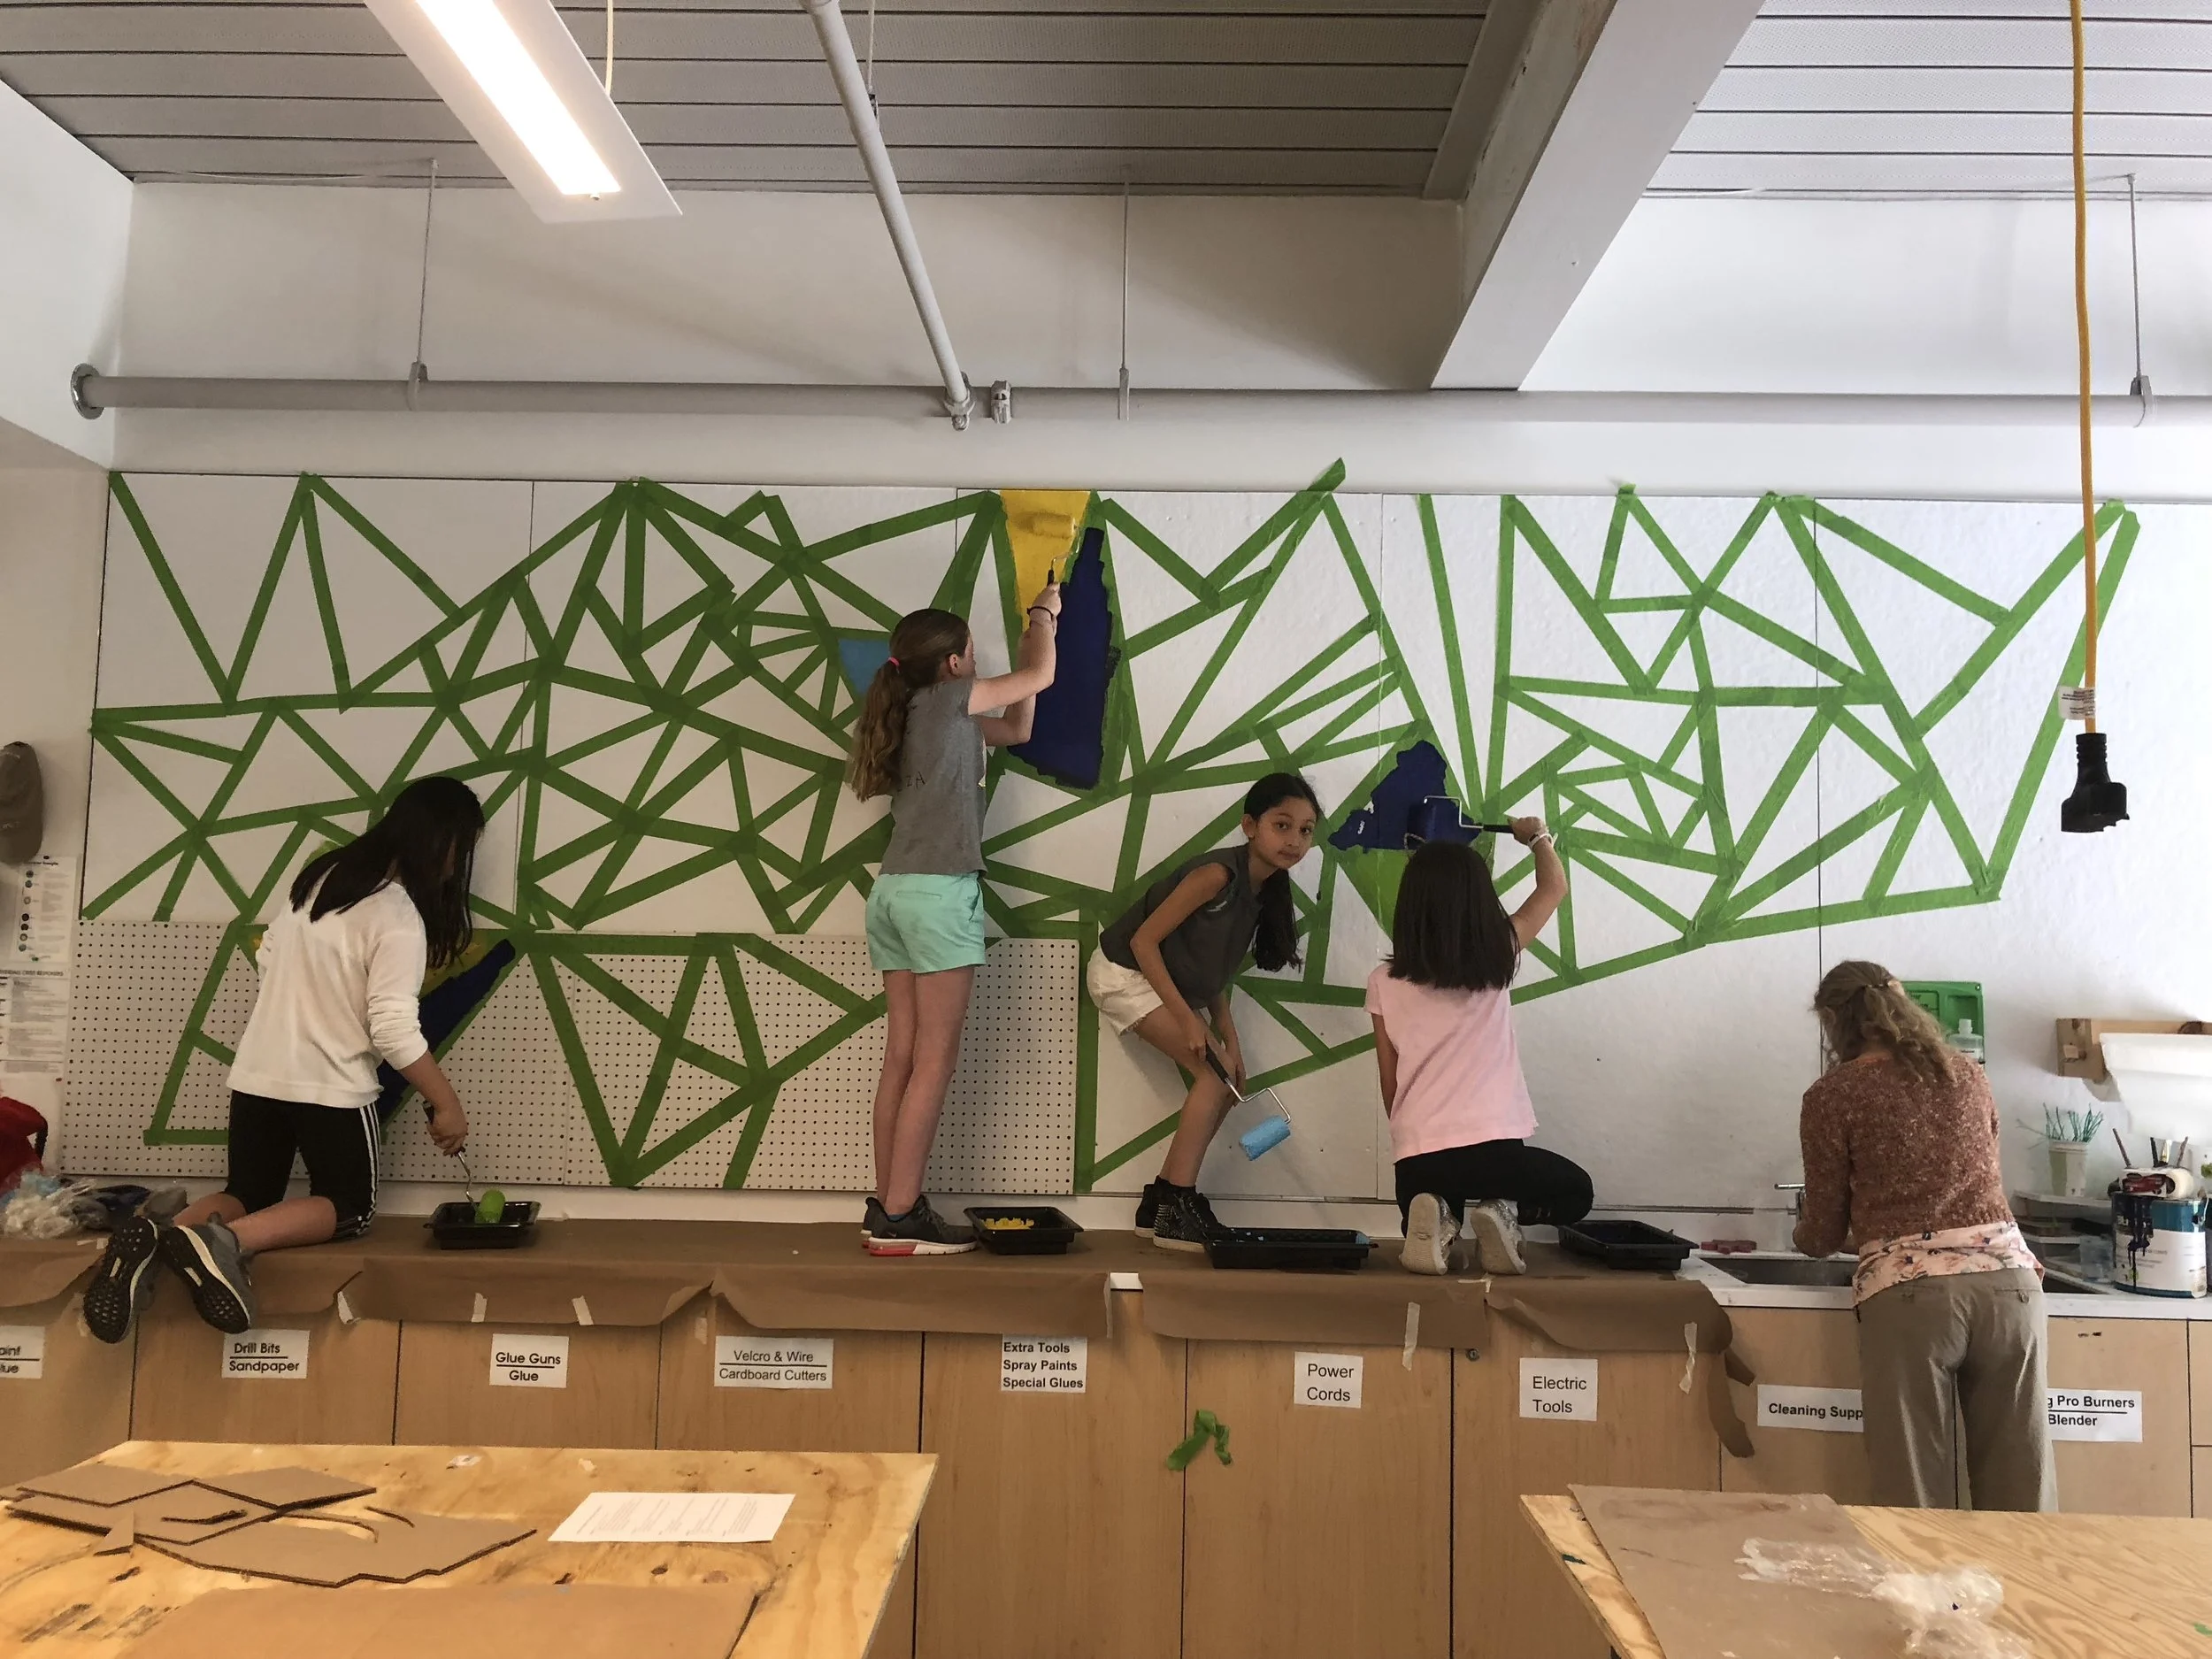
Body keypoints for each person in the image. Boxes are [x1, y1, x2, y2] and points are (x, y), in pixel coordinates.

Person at [81, 777, 484, 1344]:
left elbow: (268, 955)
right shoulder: (396, 914)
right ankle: (225, 1244)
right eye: (462, 850)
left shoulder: (322, 879)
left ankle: (157, 1234)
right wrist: (447, 1103)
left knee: (250, 1190)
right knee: (350, 1208)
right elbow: (393, 1029)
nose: (455, 868)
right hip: (330, 1085)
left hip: (258, 1072)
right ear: (444, 842)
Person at [1795, 960, 2055, 1511]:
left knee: (1911, 1489)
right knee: (2021, 1485)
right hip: (2009, 1286)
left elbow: (1822, 1232)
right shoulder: (1967, 1074)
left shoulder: (1833, 1094)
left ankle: (1918, 1572)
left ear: (1834, 1020)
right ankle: (2026, 1571)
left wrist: (1808, 1233)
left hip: (1912, 1296)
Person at [847, 594, 1059, 1256]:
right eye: (971, 651)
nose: (976, 661)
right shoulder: (949, 700)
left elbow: (1018, 728)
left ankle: (887, 1208)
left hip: (894, 894)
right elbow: (1043, 675)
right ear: (953, 664)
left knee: (904, 1055)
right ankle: (902, 1215)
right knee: (934, 1060)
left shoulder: (919, 711)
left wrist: (1026, 649)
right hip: (940, 896)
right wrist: (1045, 617)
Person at [1091, 773, 1320, 1250]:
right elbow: (1143, 942)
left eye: (1305, 830)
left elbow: (1214, 975)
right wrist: (1187, 1020)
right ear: (1249, 826)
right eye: (1282, 825)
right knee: (1214, 1078)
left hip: (1163, 982)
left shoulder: (1263, 891)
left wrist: (1231, 1041)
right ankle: (1177, 1202)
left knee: (1226, 1079)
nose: (1295, 840)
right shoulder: (1217, 876)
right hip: (1123, 972)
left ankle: (1161, 1200)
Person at [1367, 823, 1581, 1276]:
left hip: (1418, 1154)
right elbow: (1554, 887)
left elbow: (1390, 1082)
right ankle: (1500, 1213)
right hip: (1494, 1151)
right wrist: (1537, 837)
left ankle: (1438, 1224)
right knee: (1576, 1192)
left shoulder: (1383, 981)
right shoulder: (1499, 952)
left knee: (1428, 1204)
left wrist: (1412, 1142)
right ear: (1480, 902)